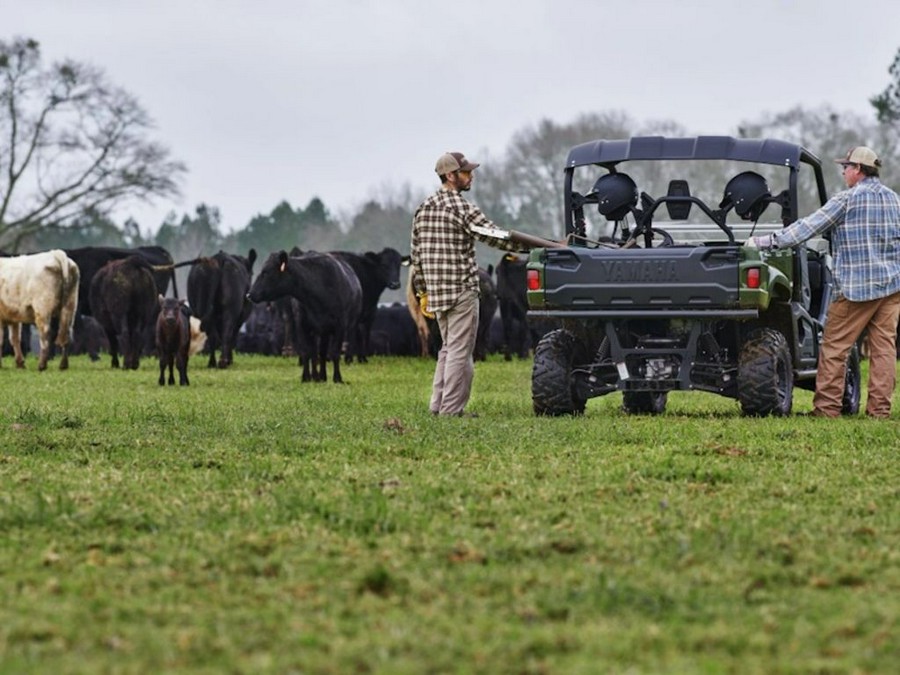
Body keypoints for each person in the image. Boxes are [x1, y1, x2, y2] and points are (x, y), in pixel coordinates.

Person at [750, 146, 900, 418]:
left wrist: (768, 241)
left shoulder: (847, 200)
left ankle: (827, 409)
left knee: (833, 347)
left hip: (856, 290)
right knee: (884, 350)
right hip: (890, 288)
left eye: (846, 167)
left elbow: (807, 227)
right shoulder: (894, 200)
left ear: (858, 170)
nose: (843, 172)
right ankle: (879, 411)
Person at [410, 151, 528, 417]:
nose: (471, 176)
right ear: (451, 176)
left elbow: (416, 257)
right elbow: (495, 236)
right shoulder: (461, 207)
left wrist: (421, 292)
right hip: (462, 290)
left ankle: (437, 406)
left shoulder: (423, 209)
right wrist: (531, 245)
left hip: (437, 294)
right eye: (466, 172)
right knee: (461, 353)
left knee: (448, 349)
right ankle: (451, 411)